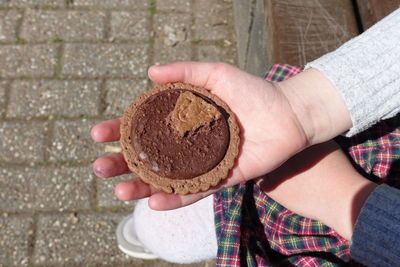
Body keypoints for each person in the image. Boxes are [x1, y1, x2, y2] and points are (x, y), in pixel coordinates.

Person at [91, 8, 400, 266]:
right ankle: (153, 236)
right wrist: (302, 108)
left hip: (346, 218)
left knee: (164, 231)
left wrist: (348, 202)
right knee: (162, 223)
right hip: (350, 140)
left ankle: (153, 237)